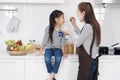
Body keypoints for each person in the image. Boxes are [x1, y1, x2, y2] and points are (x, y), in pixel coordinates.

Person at [70, 2, 101, 80]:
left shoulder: (88, 26)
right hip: (92, 61)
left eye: (78, 12)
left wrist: (69, 34)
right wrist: (74, 25)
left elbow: (77, 43)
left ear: (83, 13)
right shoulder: (94, 24)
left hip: (87, 63)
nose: (77, 15)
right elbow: (83, 36)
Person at [39, 10, 67, 80]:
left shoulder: (62, 31)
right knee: (47, 59)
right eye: (62, 18)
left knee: (58, 59)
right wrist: (40, 51)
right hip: (49, 48)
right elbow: (44, 40)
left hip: (58, 49)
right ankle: (53, 75)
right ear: (56, 20)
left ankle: (51, 76)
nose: (64, 20)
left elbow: (63, 42)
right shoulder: (49, 28)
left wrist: (63, 53)